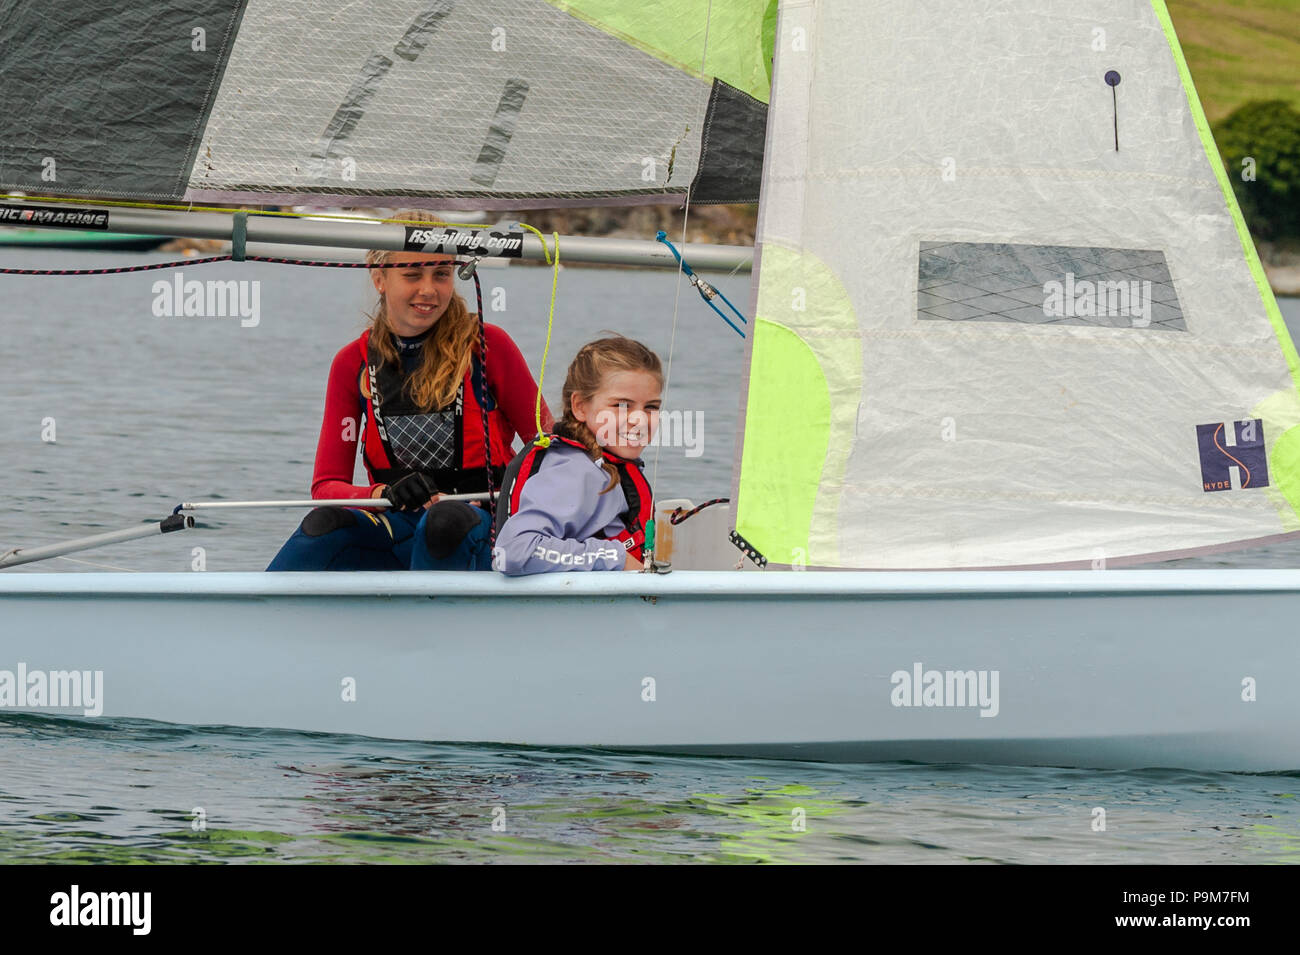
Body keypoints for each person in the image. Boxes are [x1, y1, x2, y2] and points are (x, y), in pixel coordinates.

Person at [268, 211, 552, 571]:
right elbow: (326, 487)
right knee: (323, 525)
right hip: (398, 527)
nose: (429, 289)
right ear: (379, 278)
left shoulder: (488, 346)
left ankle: (433, 619)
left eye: (442, 275)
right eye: (413, 274)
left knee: (445, 521)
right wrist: (379, 494)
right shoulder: (350, 363)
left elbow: (551, 453)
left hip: (481, 530)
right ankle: (251, 618)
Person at [493, 336, 662, 575]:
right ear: (580, 407)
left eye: (651, 407)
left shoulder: (606, 465)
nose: (639, 420)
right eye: (621, 406)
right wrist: (616, 558)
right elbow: (514, 550)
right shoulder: (576, 471)